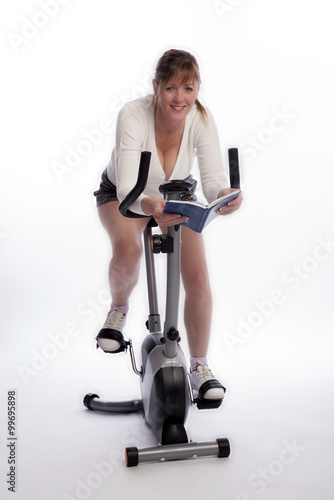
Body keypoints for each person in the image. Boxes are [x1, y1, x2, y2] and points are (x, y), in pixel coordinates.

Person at [93, 49, 243, 400]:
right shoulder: (132, 114)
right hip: (124, 193)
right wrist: (149, 206)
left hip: (176, 192)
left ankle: (199, 367)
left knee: (198, 278)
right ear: (156, 87)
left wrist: (226, 194)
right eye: (172, 88)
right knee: (129, 248)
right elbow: (130, 186)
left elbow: (211, 181)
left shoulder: (202, 119)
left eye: (189, 89)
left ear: (197, 90)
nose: (181, 98)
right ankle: (118, 310)